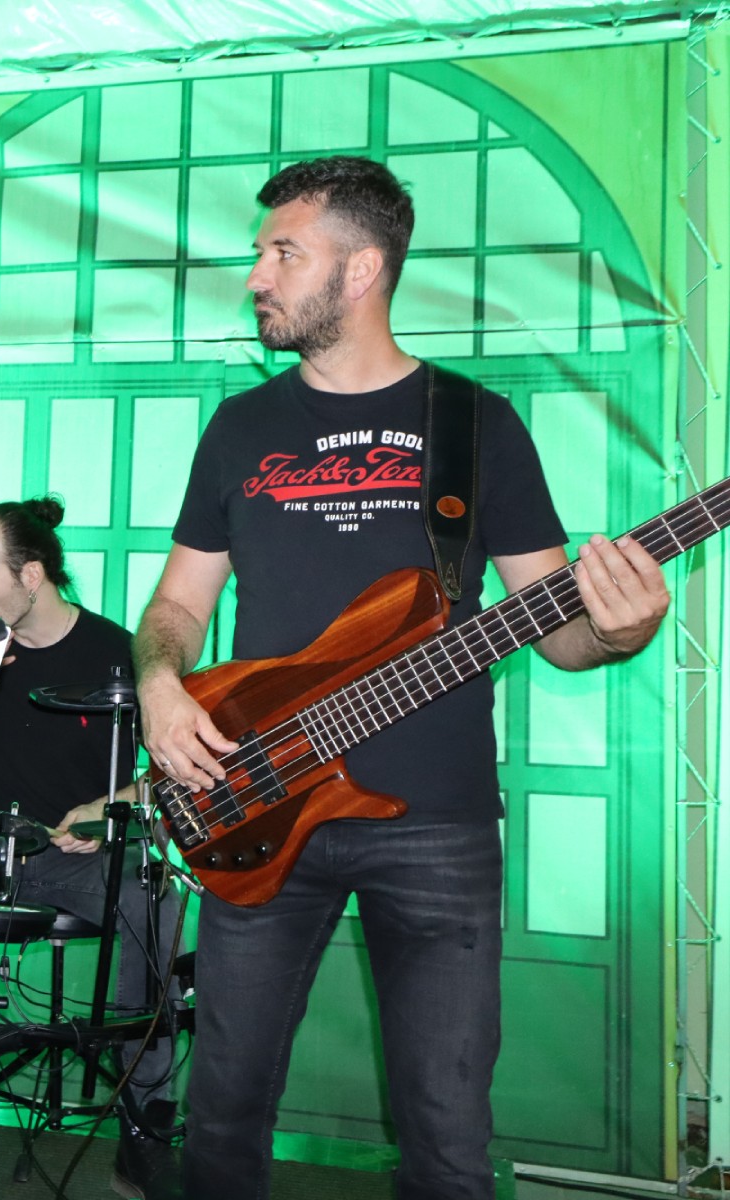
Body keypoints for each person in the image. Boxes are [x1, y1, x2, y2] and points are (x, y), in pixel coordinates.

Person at [134, 155, 669, 1200]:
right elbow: (177, 608)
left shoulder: (476, 424)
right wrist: (161, 686)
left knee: (446, 1133)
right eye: (259, 253)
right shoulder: (241, 429)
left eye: (282, 252)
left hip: (438, 825)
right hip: (257, 801)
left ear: (362, 268)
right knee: (224, 1111)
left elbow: (557, 629)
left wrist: (621, 632)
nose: (256, 275)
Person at [0, 497, 182, 1200]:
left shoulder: (118, 653)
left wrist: (106, 807)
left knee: (153, 901)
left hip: (84, 855)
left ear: (31, 576)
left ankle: (144, 1124)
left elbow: (173, 773)